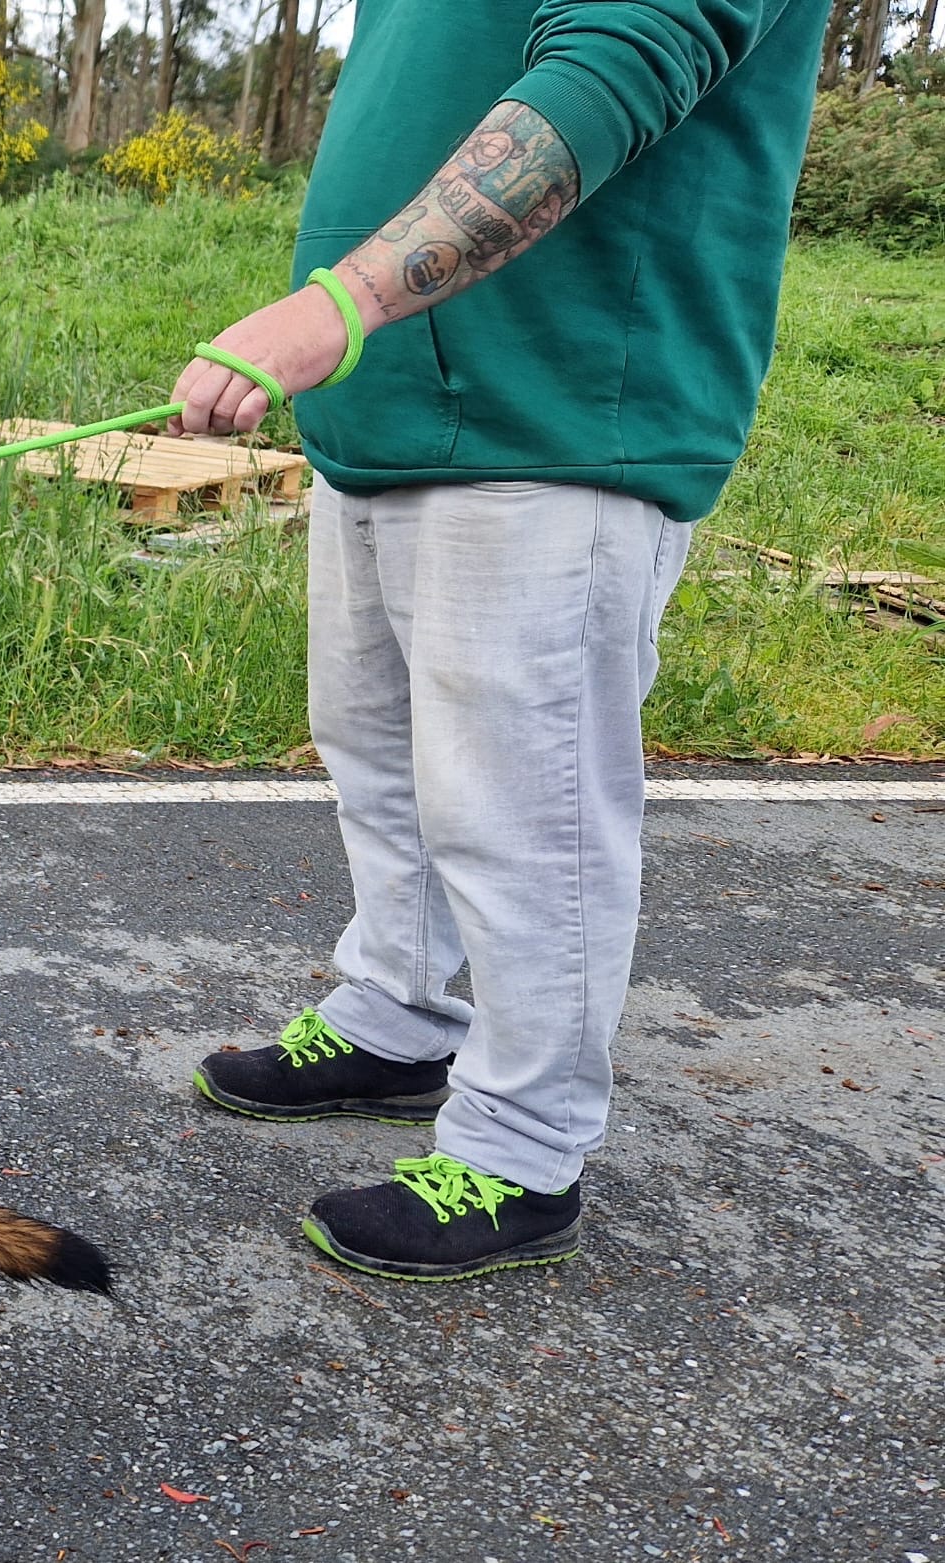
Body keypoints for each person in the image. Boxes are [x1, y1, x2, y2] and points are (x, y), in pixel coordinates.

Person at [174, 0, 831, 1281]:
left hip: (557, 410)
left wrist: (337, 303)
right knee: (377, 758)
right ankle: (396, 1017)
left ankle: (521, 1149)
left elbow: (621, 61)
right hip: (387, 407)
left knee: (525, 817)